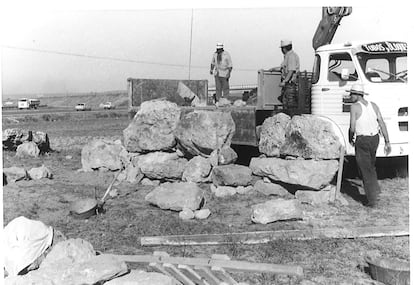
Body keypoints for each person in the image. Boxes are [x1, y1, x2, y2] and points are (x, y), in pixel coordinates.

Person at [348, 84, 391, 207]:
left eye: (351, 94)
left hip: (363, 140)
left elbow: (352, 127)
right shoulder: (374, 105)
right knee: (371, 166)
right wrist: (387, 141)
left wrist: (350, 137)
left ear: (357, 95)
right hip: (374, 139)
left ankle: (372, 200)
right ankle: (376, 191)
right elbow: (382, 123)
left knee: (365, 169)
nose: (350, 96)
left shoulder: (354, 107)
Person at [270, 40, 300, 113]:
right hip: (288, 85)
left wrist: (284, 81)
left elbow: (291, 70)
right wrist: (274, 69)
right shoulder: (288, 56)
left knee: (290, 105)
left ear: (284, 48)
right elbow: (284, 68)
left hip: (290, 85)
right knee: (286, 104)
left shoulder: (291, 56)